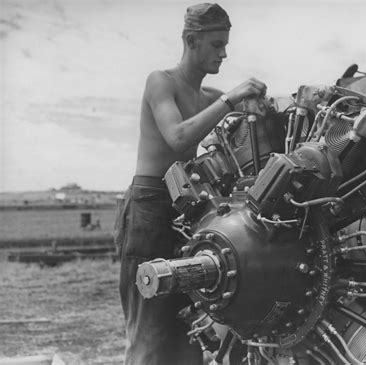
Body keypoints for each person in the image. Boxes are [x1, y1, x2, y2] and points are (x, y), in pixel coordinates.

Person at [114, 3, 267, 364]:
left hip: (188, 215)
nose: (224, 53)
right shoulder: (160, 81)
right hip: (149, 209)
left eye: (225, 44)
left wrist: (260, 108)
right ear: (190, 40)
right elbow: (178, 137)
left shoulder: (210, 99)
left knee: (189, 335)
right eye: (216, 44)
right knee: (151, 334)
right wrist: (232, 99)